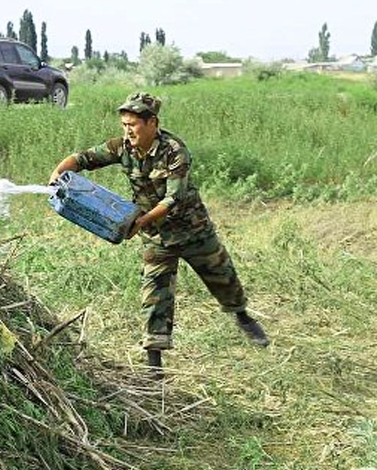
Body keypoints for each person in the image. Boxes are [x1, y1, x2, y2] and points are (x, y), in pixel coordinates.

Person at [47, 91, 269, 373]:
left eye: (134, 125)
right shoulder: (122, 147)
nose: (128, 131)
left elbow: (172, 199)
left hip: (193, 230)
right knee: (155, 295)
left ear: (153, 123)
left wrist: (138, 222)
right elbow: (83, 159)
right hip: (157, 237)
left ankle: (243, 318)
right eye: (124, 125)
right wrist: (58, 174)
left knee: (223, 277)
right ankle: (154, 367)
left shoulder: (175, 151)